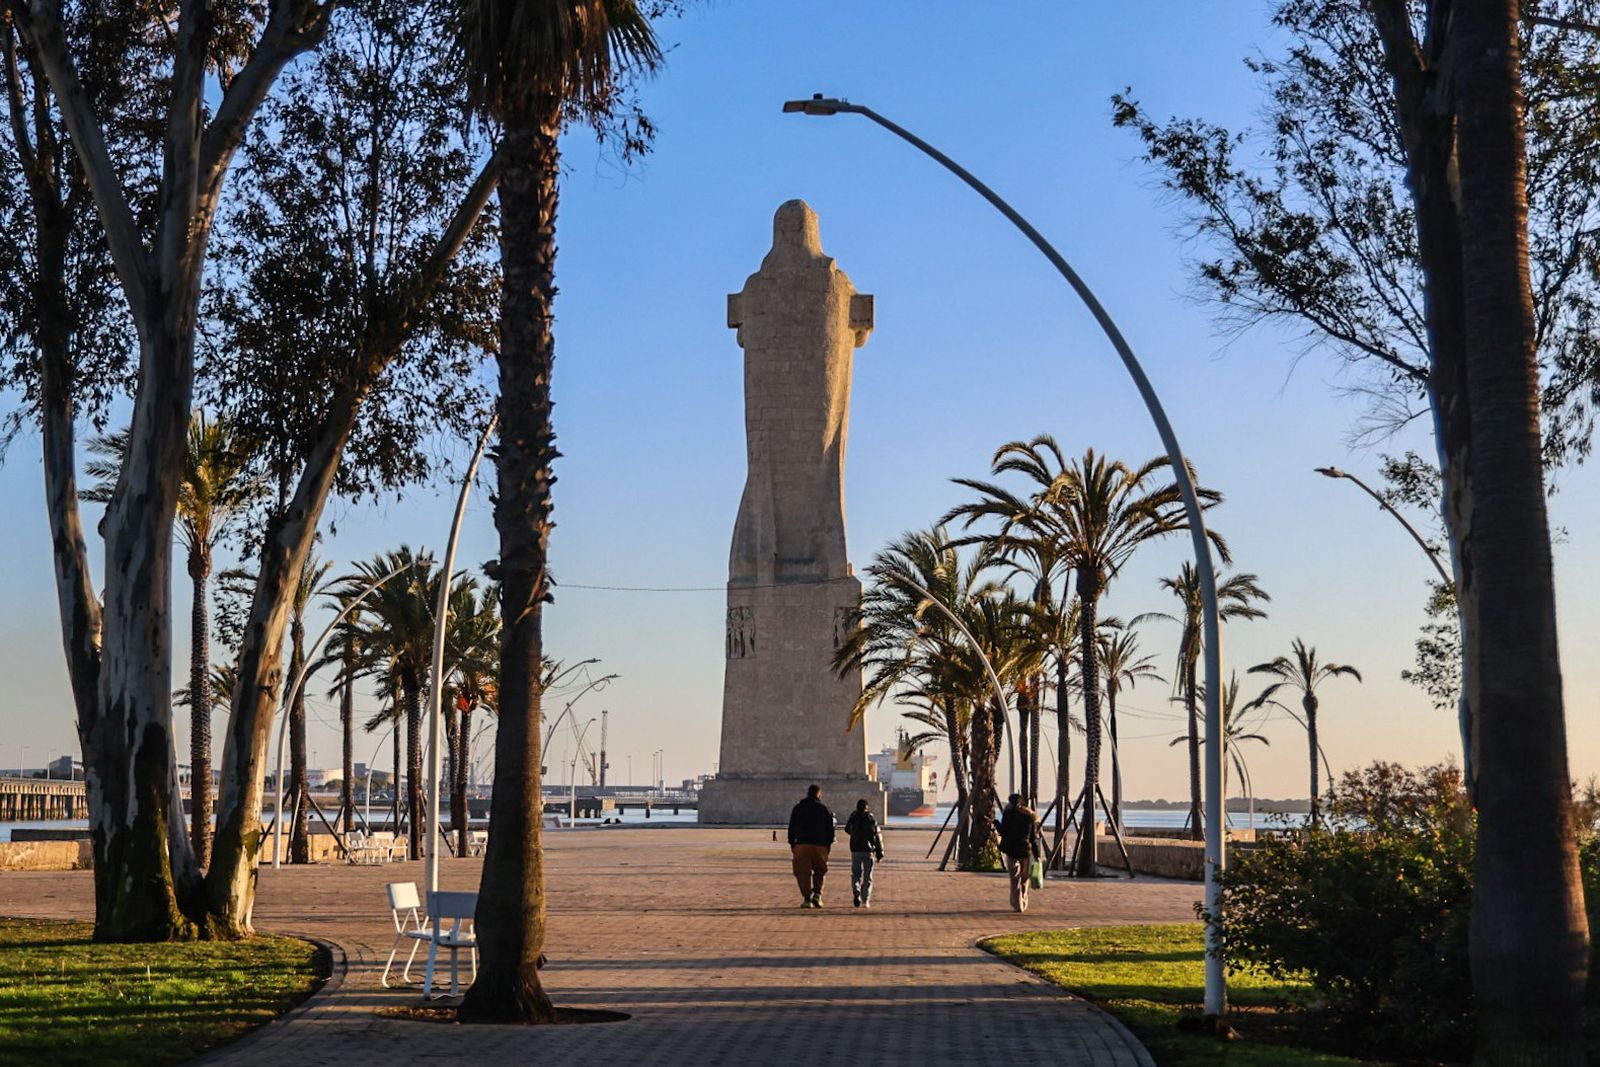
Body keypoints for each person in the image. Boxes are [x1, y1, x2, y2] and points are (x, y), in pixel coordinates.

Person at [787, 783, 835, 908]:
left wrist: (792, 843)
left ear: (807, 793)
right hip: (820, 845)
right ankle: (818, 895)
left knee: (802, 872)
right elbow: (830, 828)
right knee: (820, 870)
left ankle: (807, 898)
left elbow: (792, 827)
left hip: (801, 844)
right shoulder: (824, 808)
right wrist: (828, 844)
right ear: (819, 794)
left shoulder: (798, 808)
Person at [998, 793, 1042, 913]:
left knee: (1014, 879)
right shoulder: (1029, 816)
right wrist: (1037, 855)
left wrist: (996, 824)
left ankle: (1016, 902)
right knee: (1024, 878)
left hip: (1011, 850)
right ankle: (1023, 899)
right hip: (1025, 850)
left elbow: (1003, 831)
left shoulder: (1008, 814)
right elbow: (1032, 838)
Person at [843, 798, 885, 908]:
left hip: (855, 849)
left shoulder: (853, 816)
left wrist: (854, 834)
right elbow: (877, 835)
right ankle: (865, 900)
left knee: (856, 874)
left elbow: (846, 829)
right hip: (868, 851)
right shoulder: (871, 817)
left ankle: (856, 890)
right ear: (867, 807)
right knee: (868, 876)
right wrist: (880, 853)